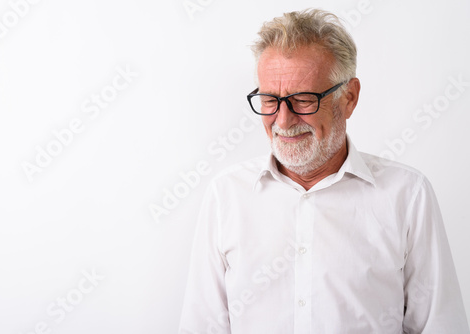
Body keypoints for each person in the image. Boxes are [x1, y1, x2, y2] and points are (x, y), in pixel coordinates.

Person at [179, 9, 469, 333]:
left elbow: (441, 325)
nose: (283, 121)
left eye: (303, 100)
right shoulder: (227, 195)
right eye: (270, 100)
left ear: (349, 97)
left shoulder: (407, 195)